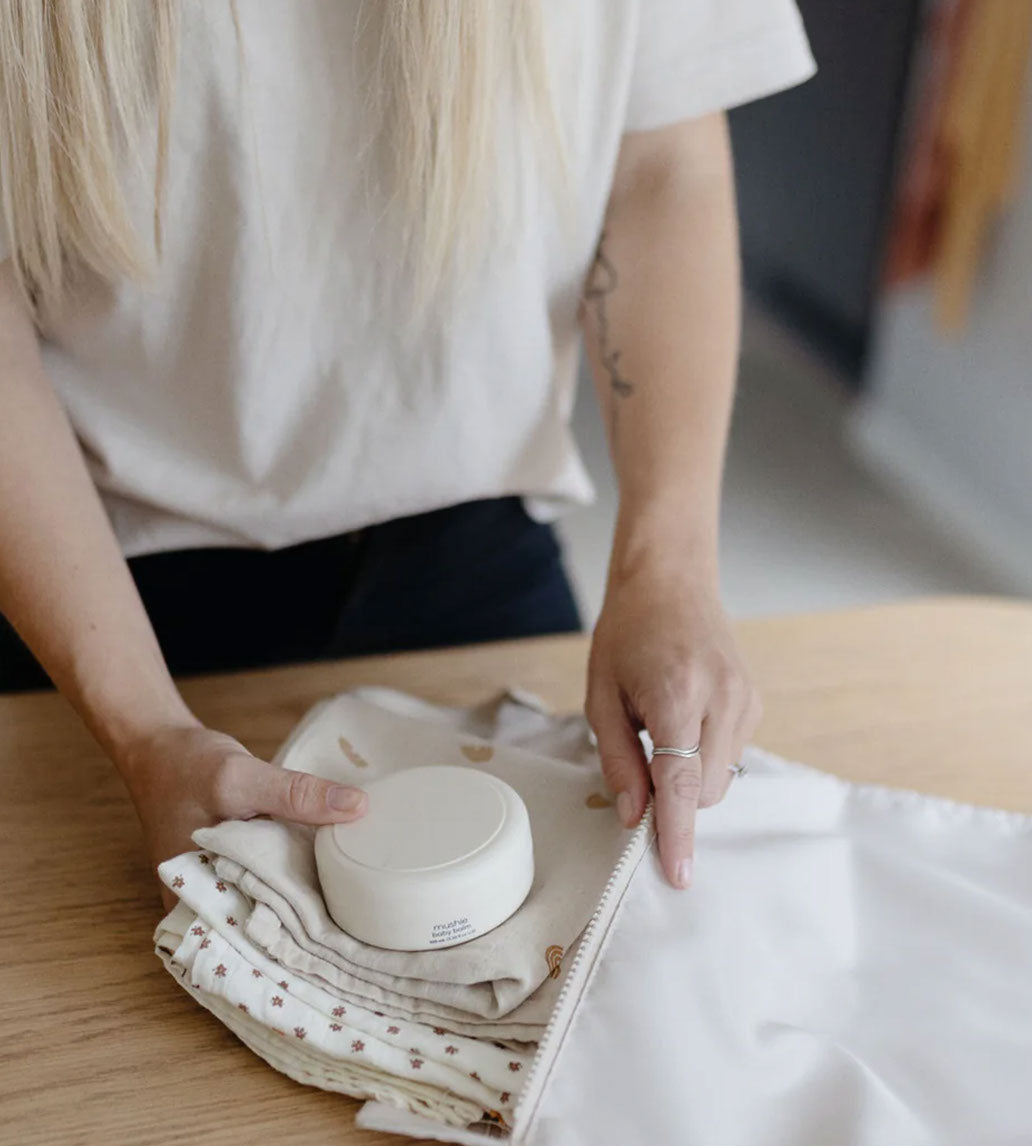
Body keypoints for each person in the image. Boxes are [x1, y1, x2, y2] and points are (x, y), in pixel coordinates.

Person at [0, 1, 814, 898]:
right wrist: (145, 732)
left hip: (473, 552)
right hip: (83, 594)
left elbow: (663, 160)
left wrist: (669, 568)